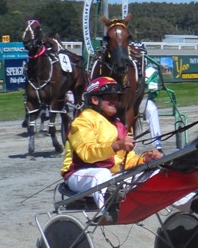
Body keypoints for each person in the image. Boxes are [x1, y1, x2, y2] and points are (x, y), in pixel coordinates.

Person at [60, 76, 163, 212]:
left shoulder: (120, 125)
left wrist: (144, 159)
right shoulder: (83, 120)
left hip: (111, 178)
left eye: (116, 97)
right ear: (95, 99)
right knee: (101, 175)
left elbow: (125, 161)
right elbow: (86, 153)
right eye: (109, 97)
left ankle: (193, 203)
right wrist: (116, 146)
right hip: (79, 174)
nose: (114, 101)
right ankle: (109, 211)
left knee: (156, 172)